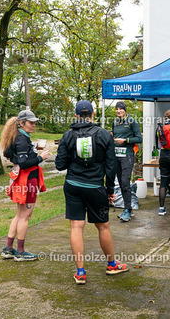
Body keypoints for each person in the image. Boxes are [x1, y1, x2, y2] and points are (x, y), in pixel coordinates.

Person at [55, 100, 130, 284]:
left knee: (76, 227)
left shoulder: (68, 135)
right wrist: (110, 190)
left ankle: (80, 272)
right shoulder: (104, 134)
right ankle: (111, 265)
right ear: (93, 114)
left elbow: (60, 165)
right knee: (103, 226)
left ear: (76, 115)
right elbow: (111, 166)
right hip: (95, 187)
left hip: (73, 185)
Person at [0, 110, 50, 261]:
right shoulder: (22, 139)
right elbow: (23, 163)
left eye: (34, 122)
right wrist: (41, 158)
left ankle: (8, 249)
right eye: (31, 122)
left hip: (22, 179)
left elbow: (13, 154)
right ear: (21, 123)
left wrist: (34, 151)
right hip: (27, 180)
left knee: (20, 215)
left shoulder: (19, 136)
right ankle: (20, 252)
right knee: (25, 216)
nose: (34, 125)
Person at [112, 101, 143, 222]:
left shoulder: (132, 121)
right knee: (121, 182)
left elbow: (139, 138)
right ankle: (128, 209)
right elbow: (114, 137)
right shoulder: (115, 122)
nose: (118, 111)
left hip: (128, 155)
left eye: (121, 109)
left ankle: (127, 210)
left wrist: (125, 140)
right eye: (117, 109)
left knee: (125, 182)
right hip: (117, 156)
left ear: (125, 110)